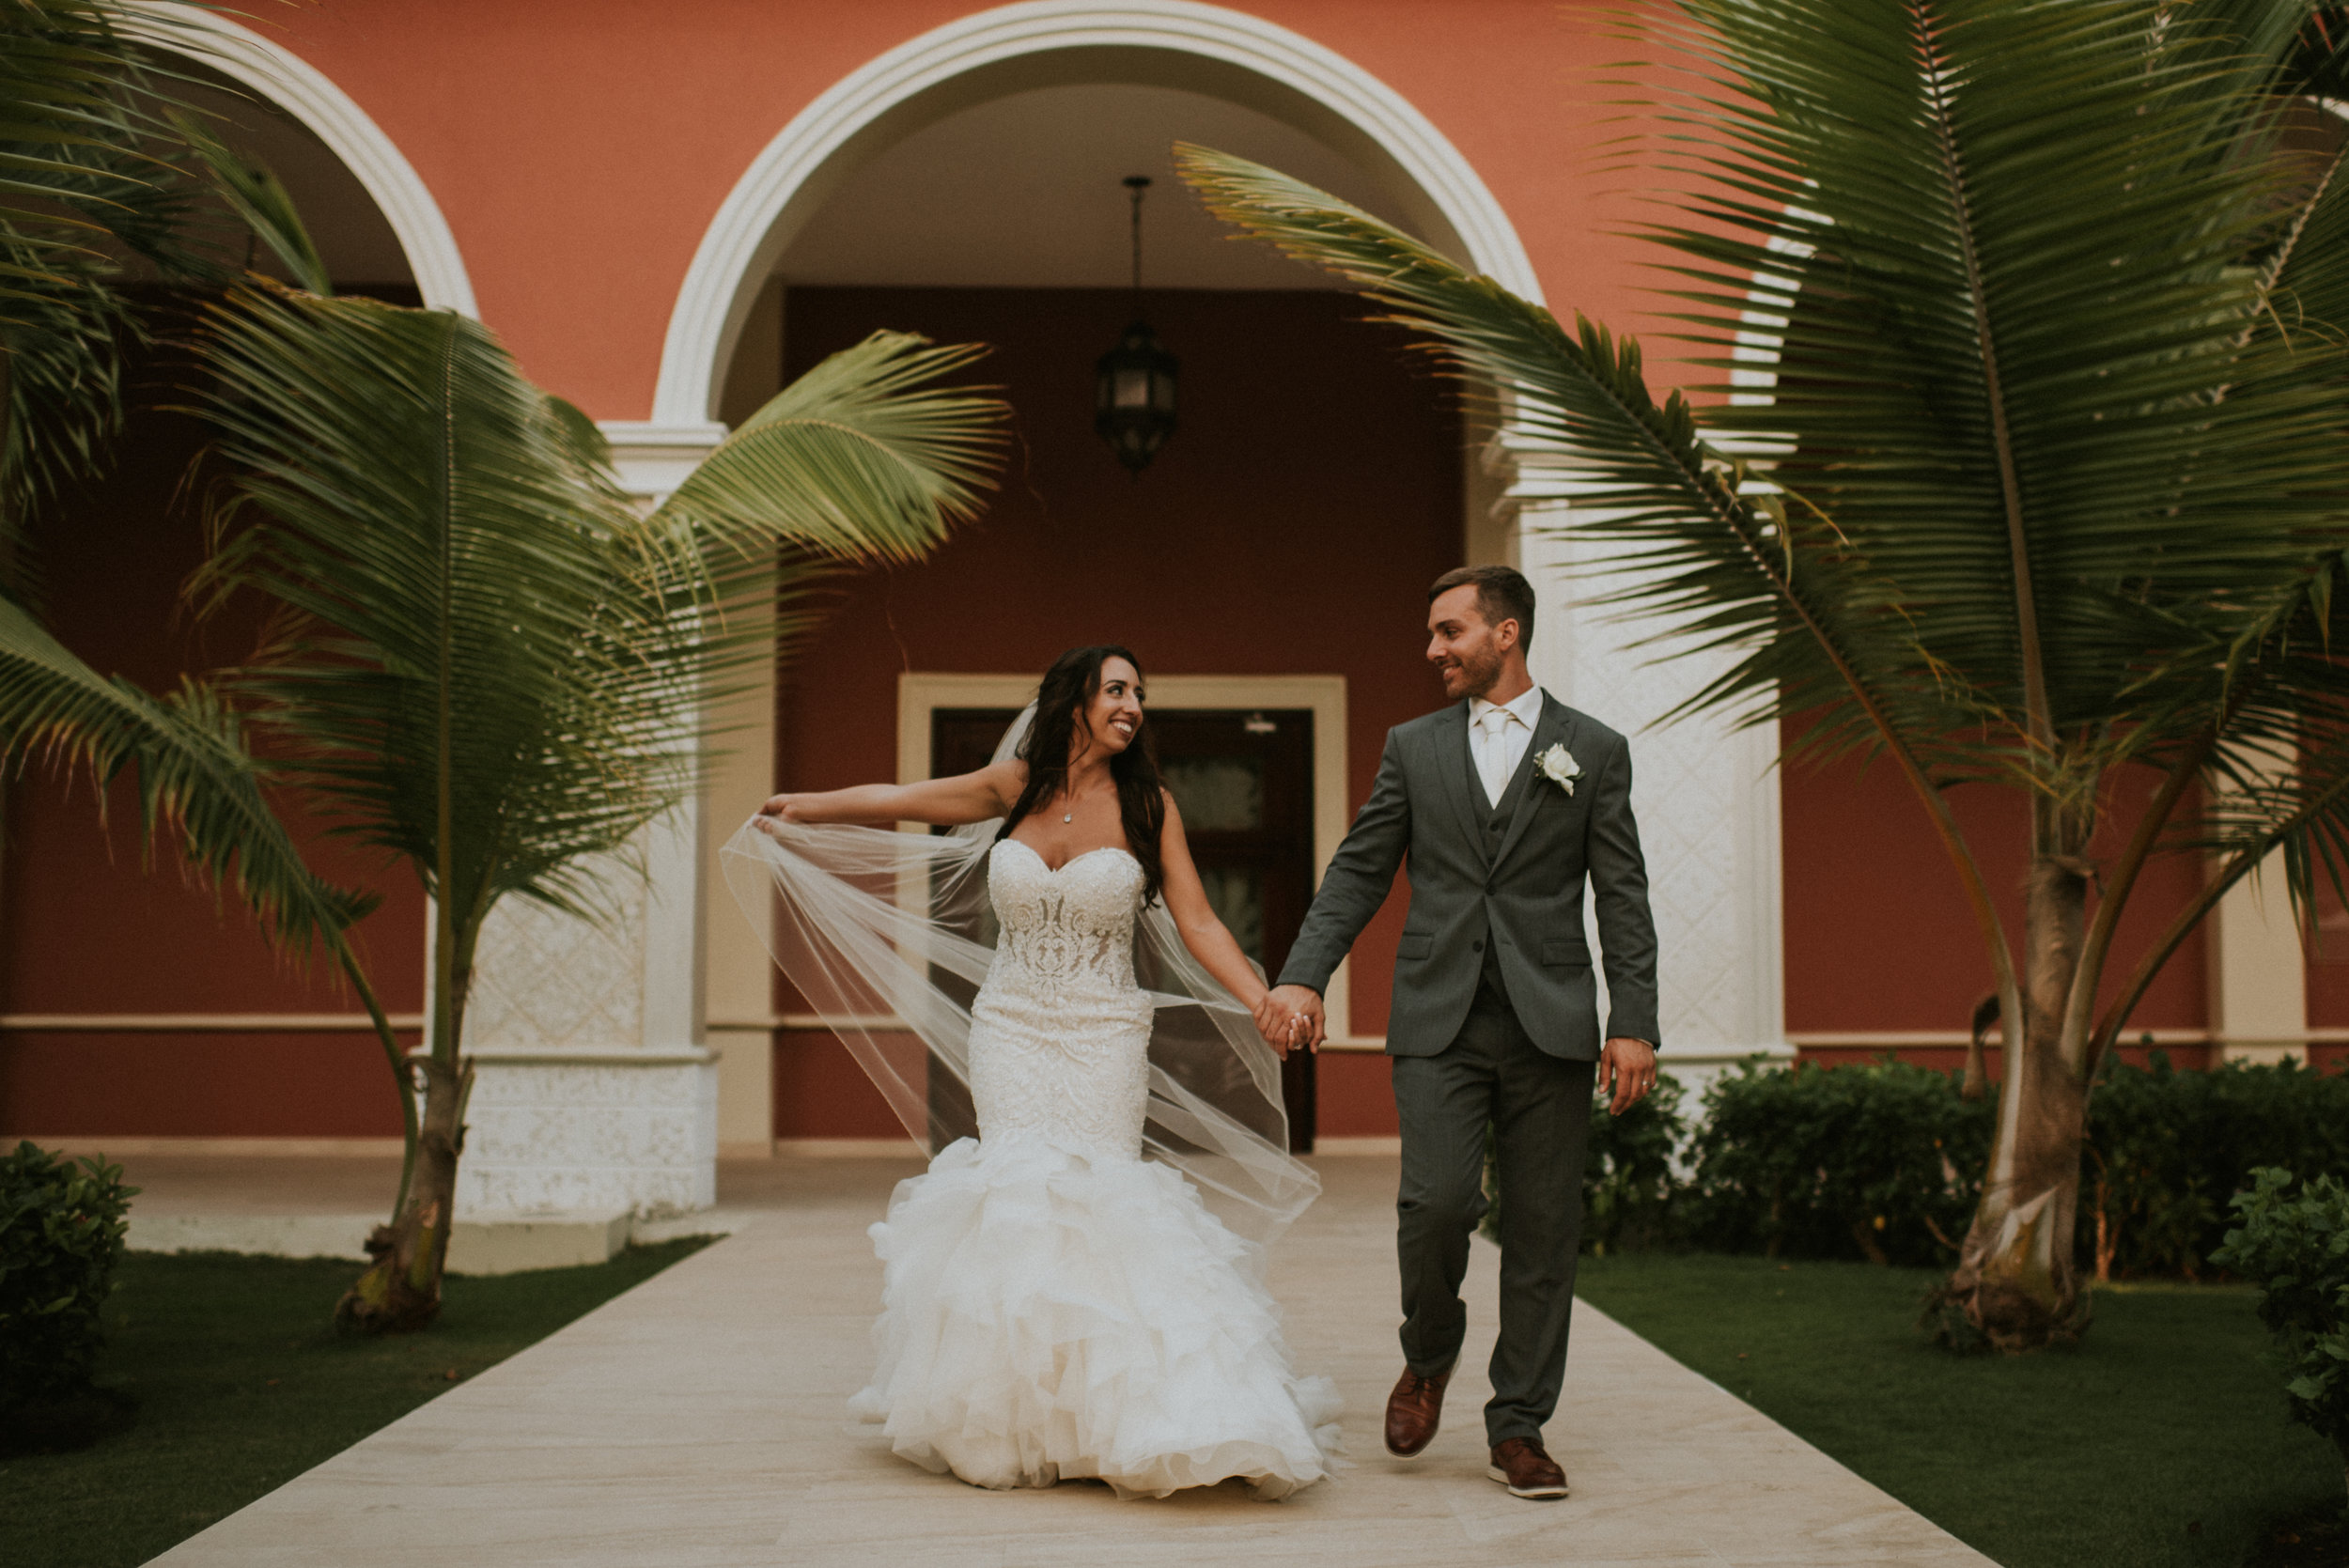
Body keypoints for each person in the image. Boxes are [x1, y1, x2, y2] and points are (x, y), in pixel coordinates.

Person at [735, 644, 1338, 1500]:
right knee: (1017, 1193)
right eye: (1117, 690)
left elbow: (1200, 921)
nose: (1132, 706)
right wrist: (810, 807)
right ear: (1075, 701)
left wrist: (1264, 997)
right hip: (1011, 1025)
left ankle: (1124, 1413)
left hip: (1103, 1029)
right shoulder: (1012, 785)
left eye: (1140, 695)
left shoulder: (1147, 805)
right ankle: (1022, 1416)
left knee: (1100, 1195)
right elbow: (904, 801)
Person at [1266, 565, 1660, 1502]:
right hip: (1438, 1017)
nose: (1433, 649)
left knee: (1542, 1231)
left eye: (1449, 632)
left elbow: (1623, 891)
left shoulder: (1592, 750)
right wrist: (1301, 973)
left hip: (1552, 1022)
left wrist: (1632, 1021)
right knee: (1436, 1206)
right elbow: (1360, 870)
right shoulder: (1413, 747)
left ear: (1505, 633)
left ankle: (1518, 1423)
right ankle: (1428, 1355)